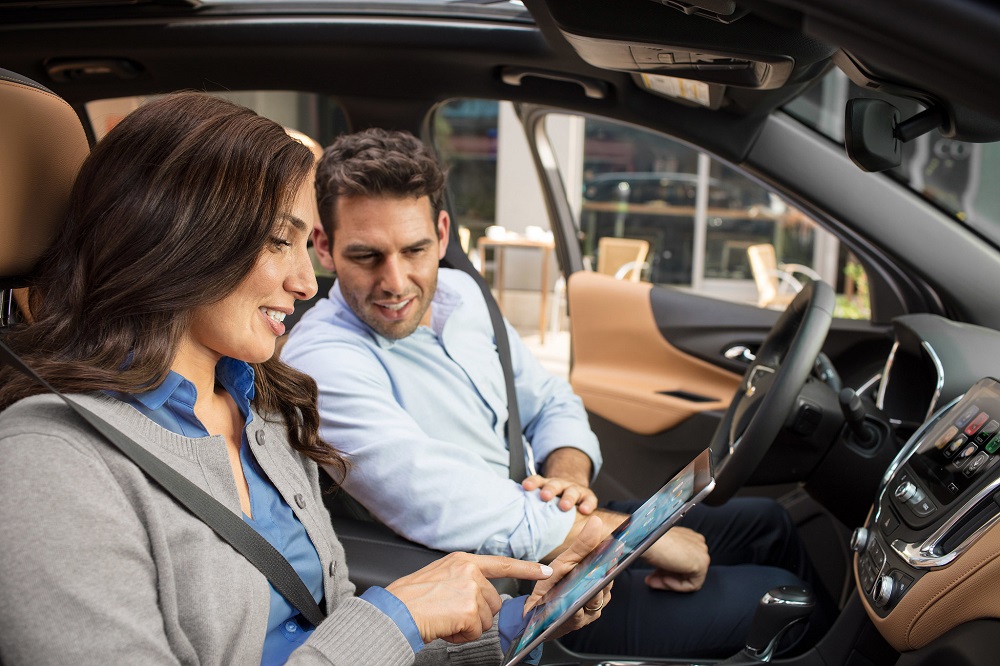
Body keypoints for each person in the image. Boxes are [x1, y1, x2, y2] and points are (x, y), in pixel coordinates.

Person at [0, 93, 610, 665]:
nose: (304, 281)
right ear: (174, 236)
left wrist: (515, 625)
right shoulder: (49, 464)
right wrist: (396, 616)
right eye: (277, 241)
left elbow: (332, 628)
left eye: (304, 244)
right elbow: (366, 632)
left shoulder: (263, 408)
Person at [281, 128, 831, 659]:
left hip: (551, 519)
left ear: (443, 234)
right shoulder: (321, 363)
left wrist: (569, 480)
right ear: (324, 248)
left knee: (770, 523)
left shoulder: (462, 297)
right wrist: (622, 541)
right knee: (782, 597)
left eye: (415, 250)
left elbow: (550, 400)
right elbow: (440, 497)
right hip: (508, 592)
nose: (396, 282)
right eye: (367, 256)